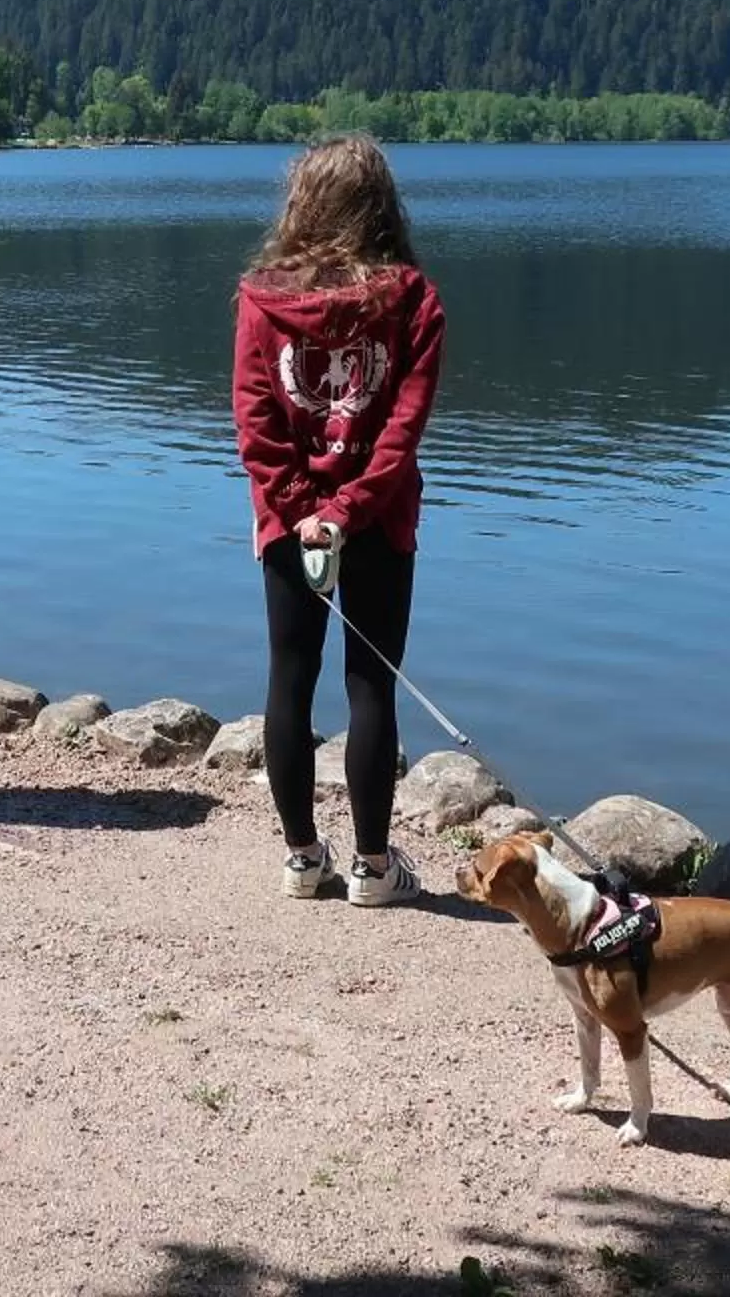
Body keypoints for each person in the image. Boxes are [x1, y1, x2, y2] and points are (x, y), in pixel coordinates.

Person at [232, 136, 446, 905]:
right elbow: (401, 433)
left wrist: (300, 513)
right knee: (371, 689)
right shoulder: (414, 299)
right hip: (379, 524)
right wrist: (347, 512)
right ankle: (373, 868)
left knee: (289, 682)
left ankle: (300, 859)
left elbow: (255, 427)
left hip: (290, 528)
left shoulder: (263, 299)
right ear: (382, 206)